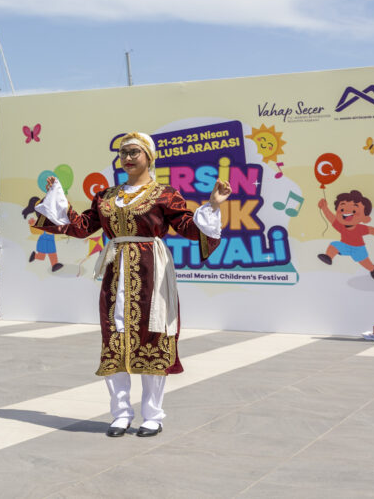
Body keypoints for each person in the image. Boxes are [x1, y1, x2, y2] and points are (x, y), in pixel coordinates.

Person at [31, 132, 230, 438]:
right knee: (114, 338)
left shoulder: (165, 194)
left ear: (149, 156)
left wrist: (213, 206)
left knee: (152, 336)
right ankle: (120, 413)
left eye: (134, 152)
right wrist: (58, 196)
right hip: (114, 272)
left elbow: (190, 228)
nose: (127, 158)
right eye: (123, 152)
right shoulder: (107, 196)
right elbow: (82, 226)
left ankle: (152, 415)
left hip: (152, 270)